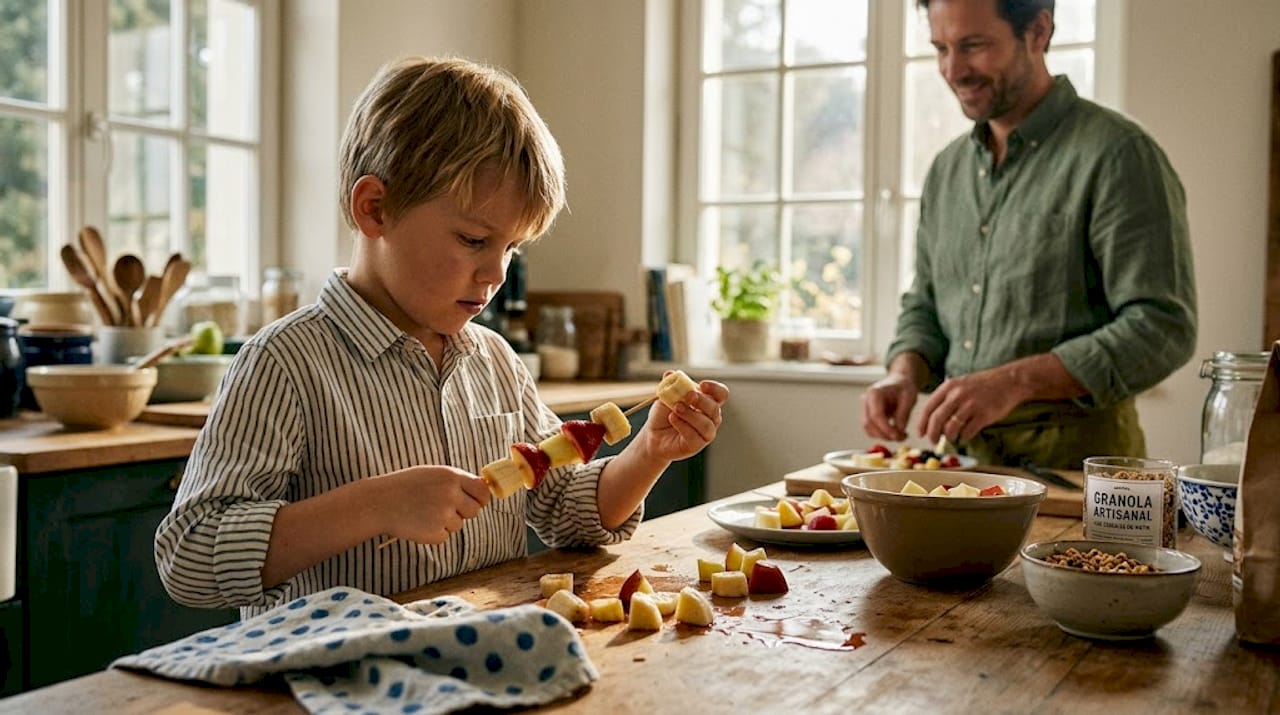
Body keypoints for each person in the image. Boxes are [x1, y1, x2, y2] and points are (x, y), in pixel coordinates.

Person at [155, 56, 730, 617]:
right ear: (375, 209)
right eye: (474, 240)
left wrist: (649, 453)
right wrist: (375, 505)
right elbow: (189, 555)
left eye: (511, 249)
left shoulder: (497, 363)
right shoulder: (284, 363)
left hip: (477, 664)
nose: (496, 273)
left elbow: (565, 510)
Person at [861, 0, 1195, 470]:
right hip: (959, 472)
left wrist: (1014, 381)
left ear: (1038, 32)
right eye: (940, 48)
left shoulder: (1119, 155)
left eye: (973, 45)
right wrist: (903, 374)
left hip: (1082, 479)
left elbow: (1163, 326)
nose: (953, 69)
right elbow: (926, 306)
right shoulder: (946, 170)